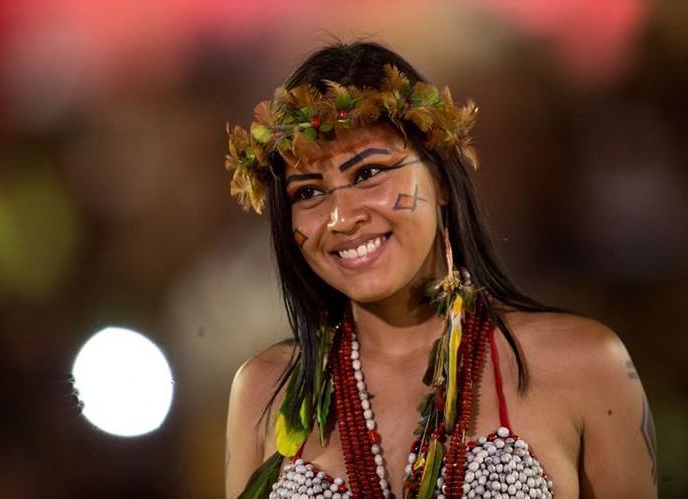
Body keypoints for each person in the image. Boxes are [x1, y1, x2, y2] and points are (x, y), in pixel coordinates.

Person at [224, 42, 657, 499]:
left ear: (443, 181)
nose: (341, 217)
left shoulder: (585, 364)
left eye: (369, 173)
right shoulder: (264, 390)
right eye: (309, 193)